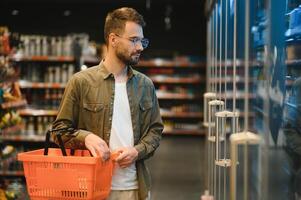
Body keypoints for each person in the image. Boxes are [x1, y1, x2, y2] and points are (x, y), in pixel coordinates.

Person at [52, 7, 164, 200]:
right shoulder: (81, 82)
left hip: (135, 189)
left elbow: (155, 131)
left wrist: (137, 151)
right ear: (113, 39)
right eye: (134, 40)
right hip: (90, 187)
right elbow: (59, 132)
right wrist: (85, 137)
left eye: (142, 40)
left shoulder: (145, 85)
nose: (140, 47)